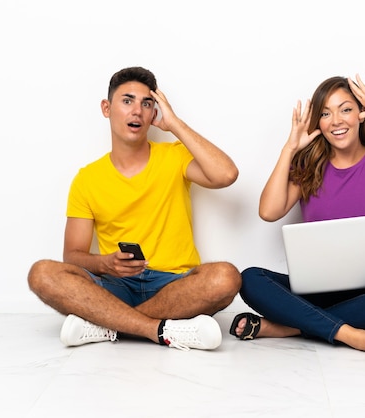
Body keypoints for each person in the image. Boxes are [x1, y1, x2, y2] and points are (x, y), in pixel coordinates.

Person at [229, 74, 365, 360]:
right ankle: (353, 335)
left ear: (361, 115)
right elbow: (268, 212)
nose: (336, 121)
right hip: (315, 287)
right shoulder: (308, 167)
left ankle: (287, 328)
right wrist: (290, 148)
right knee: (250, 279)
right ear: (318, 122)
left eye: (345, 109)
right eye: (326, 113)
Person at [28, 67, 241, 351]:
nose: (137, 111)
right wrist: (105, 264)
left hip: (174, 285)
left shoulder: (174, 156)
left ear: (155, 113)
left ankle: (108, 326)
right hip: (115, 286)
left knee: (226, 277)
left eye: (147, 103)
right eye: (127, 101)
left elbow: (226, 175)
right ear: (107, 108)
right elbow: (72, 255)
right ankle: (159, 329)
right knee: (41, 273)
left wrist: (175, 123)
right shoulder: (87, 178)